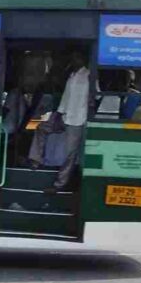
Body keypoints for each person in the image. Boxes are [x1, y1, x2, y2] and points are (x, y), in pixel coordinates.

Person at [28, 50, 90, 192]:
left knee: (70, 153)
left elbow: (95, 97)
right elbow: (66, 97)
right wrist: (59, 114)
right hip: (63, 115)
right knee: (41, 128)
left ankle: (60, 184)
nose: (73, 61)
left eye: (75, 58)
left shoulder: (89, 76)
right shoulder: (72, 75)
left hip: (77, 119)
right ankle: (35, 160)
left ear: (81, 59)